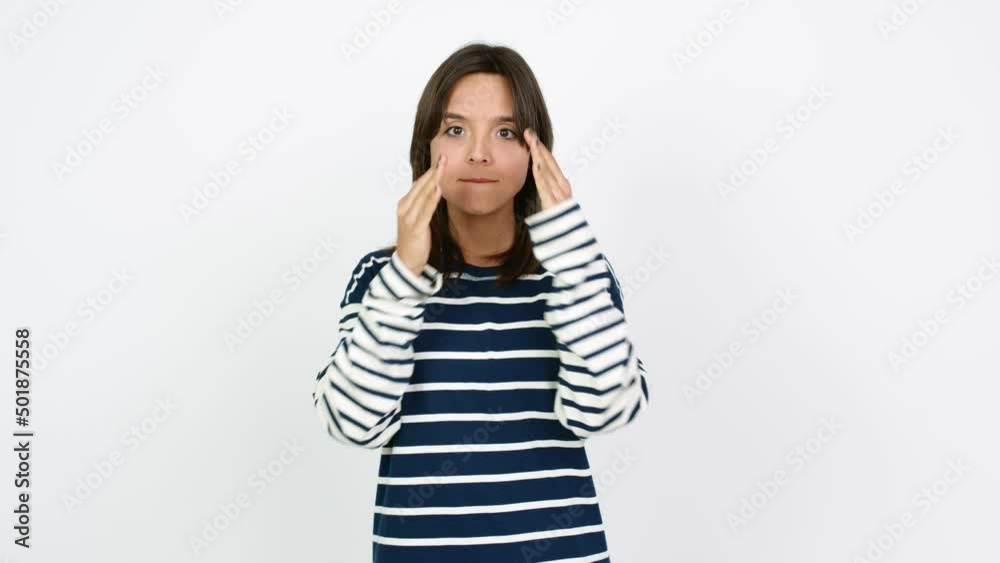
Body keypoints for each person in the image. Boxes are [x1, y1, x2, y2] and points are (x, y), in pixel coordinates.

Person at [311, 42, 650, 563]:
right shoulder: (382, 278)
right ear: (426, 147)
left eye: (506, 132)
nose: (478, 153)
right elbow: (354, 424)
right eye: (455, 129)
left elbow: (605, 412)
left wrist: (571, 260)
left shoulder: (579, 275)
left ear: (537, 152)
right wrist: (405, 276)